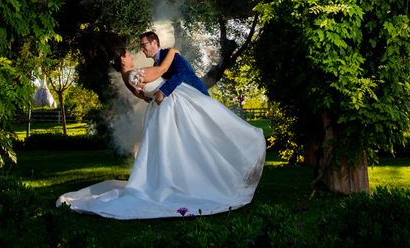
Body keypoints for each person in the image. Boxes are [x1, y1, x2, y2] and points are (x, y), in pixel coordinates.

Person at [56, 43, 266, 219]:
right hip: (169, 108)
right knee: (196, 137)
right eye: (128, 54)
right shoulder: (135, 73)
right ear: (122, 61)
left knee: (183, 144)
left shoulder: (127, 78)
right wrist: (173, 52)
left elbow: (144, 96)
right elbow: (162, 71)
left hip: (160, 110)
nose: (132, 55)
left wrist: (153, 94)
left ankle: (182, 177)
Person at [139, 31, 208, 104]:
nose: (142, 49)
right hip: (182, 101)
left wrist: (163, 91)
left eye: (143, 45)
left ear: (154, 43)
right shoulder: (155, 66)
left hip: (197, 96)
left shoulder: (170, 54)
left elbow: (182, 72)